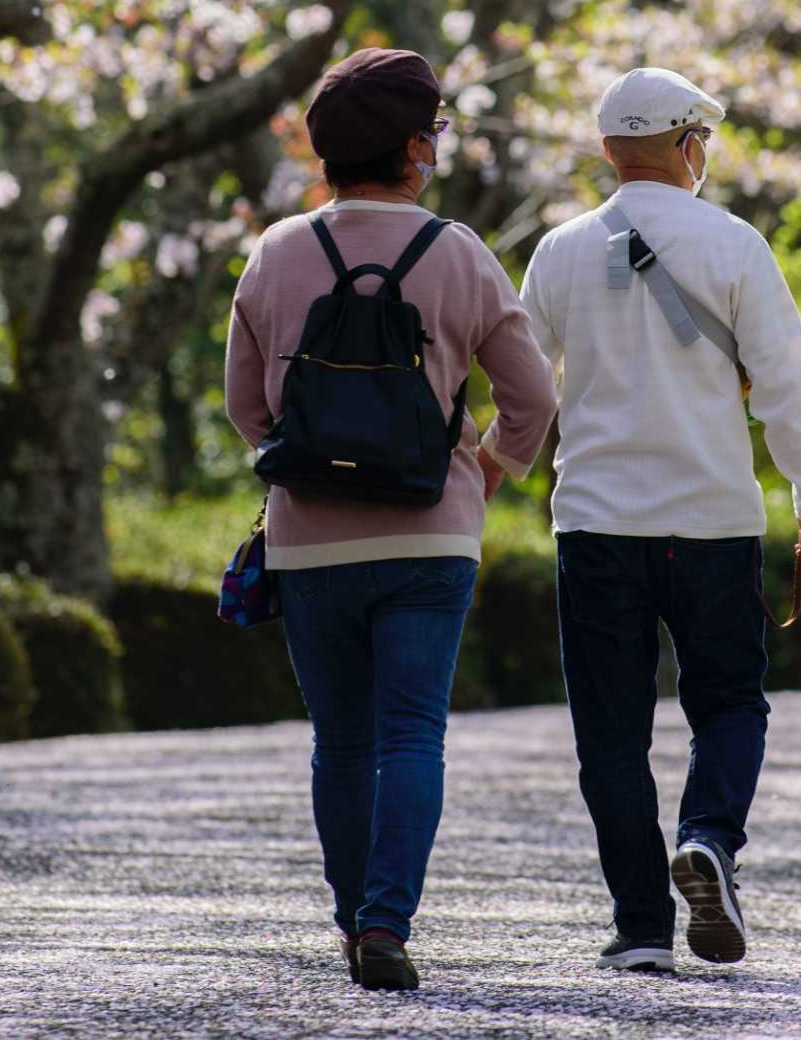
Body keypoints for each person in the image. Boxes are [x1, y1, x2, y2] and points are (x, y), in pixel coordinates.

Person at [224, 48, 557, 992]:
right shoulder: (457, 252)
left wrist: (308, 460)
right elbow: (532, 398)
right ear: (414, 147)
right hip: (429, 532)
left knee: (342, 739)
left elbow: (247, 405)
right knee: (414, 733)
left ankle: (348, 920)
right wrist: (487, 469)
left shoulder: (278, 251)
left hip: (310, 534)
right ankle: (387, 923)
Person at [517, 67, 801, 973]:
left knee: (610, 731)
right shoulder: (736, 243)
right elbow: (784, 389)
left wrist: (483, 473)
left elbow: (526, 393)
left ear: (612, 148)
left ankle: (642, 929)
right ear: (689, 144)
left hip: (594, 521)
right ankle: (708, 841)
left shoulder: (558, 250)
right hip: (711, 521)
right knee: (729, 700)